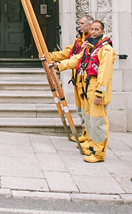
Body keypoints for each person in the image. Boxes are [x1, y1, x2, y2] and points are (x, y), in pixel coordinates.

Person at [52, 20, 115, 163]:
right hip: (87, 87)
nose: (93, 32)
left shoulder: (105, 50)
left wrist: (99, 93)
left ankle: (99, 153)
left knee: (98, 121)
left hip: (96, 89)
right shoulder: (89, 46)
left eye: (96, 29)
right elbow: (76, 60)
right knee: (90, 119)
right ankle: (92, 145)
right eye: (92, 29)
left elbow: (105, 73)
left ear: (102, 31)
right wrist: (59, 66)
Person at [49, 15, 93, 144]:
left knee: (88, 111)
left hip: (87, 81)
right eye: (79, 23)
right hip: (78, 81)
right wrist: (49, 56)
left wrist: (60, 65)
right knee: (81, 110)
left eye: (82, 23)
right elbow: (66, 53)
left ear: (90, 25)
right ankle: (85, 133)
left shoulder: (90, 42)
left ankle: (90, 137)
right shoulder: (78, 41)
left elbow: (78, 59)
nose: (79, 25)